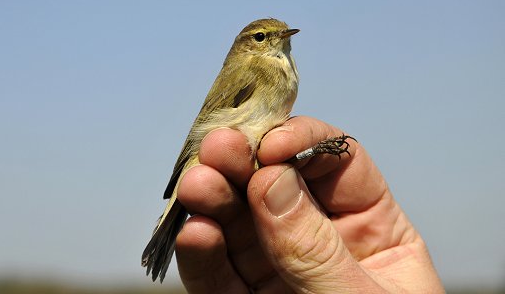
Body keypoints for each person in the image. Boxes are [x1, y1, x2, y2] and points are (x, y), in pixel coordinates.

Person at [174, 116, 445, 293]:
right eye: (260, 38)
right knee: (264, 168)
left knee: (267, 164)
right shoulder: (257, 69)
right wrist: (315, 151)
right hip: (224, 154)